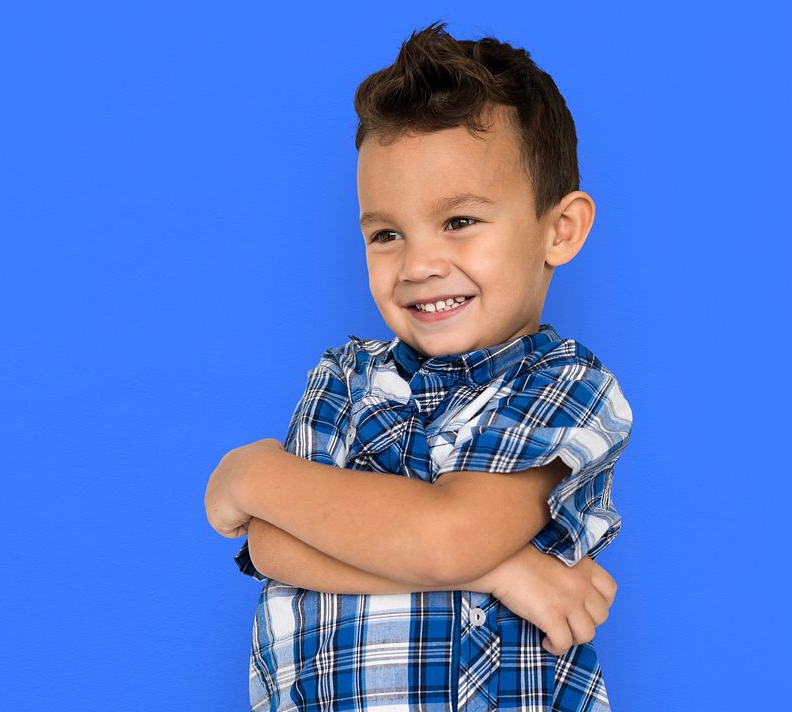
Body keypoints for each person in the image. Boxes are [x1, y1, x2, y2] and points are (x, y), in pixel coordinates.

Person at [205, 20, 633, 711]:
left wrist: (250, 473)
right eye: (386, 234)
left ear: (561, 230)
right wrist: (506, 572)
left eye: (459, 221)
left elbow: (447, 536)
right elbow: (270, 548)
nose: (419, 265)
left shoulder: (561, 385)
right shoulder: (344, 378)